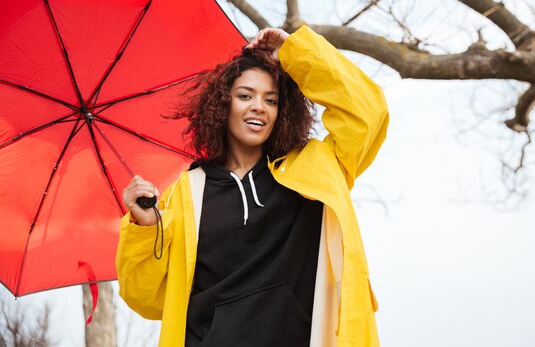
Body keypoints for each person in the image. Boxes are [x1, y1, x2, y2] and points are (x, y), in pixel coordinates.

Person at [116, 25, 389, 347]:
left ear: (282, 111)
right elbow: (147, 299)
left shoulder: (317, 168)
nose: (258, 106)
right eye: (245, 95)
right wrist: (145, 227)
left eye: (271, 100)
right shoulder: (188, 191)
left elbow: (368, 113)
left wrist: (296, 51)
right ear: (222, 105)